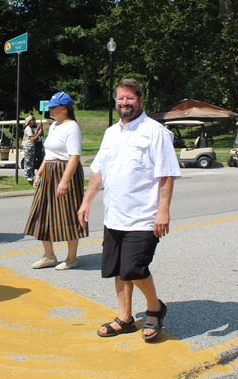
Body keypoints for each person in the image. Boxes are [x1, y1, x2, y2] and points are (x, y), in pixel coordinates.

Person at [77, 79, 181, 340]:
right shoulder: (111, 133)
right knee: (118, 270)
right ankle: (125, 318)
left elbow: (166, 175)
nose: (124, 103)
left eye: (130, 98)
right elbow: (98, 172)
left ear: (140, 100)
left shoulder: (155, 131)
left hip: (144, 217)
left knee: (134, 268)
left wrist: (163, 211)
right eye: (120, 99)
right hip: (114, 216)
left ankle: (155, 308)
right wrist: (86, 201)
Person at [24, 92, 88, 270]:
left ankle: (71, 258)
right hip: (50, 171)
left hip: (65, 171)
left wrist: (64, 181)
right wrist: (39, 173)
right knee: (42, 211)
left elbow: (74, 157)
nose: (50, 110)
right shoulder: (54, 126)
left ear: (64, 108)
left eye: (53, 107)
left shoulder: (72, 127)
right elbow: (48, 155)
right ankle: (49, 255)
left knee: (68, 212)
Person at [22, 115, 40, 182]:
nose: (34, 122)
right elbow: (32, 139)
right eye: (32, 120)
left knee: (31, 161)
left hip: (30, 146)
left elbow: (33, 135)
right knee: (28, 161)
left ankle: (30, 175)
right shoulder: (28, 129)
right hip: (28, 146)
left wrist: (37, 129)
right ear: (29, 121)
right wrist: (38, 135)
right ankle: (27, 175)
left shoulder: (28, 128)